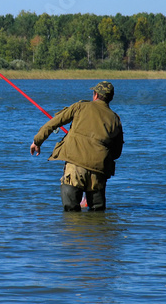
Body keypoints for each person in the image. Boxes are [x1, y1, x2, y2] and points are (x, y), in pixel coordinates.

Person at [30, 81, 124, 211]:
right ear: (111, 98)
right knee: (98, 213)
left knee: (71, 212)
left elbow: (52, 124)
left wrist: (37, 141)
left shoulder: (80, 107)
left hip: (75, 168)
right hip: (99, 171)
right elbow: (117, 152)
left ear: (95, 95)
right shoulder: (115, 119)